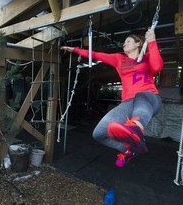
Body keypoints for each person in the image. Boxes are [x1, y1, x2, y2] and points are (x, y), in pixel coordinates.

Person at [60, 29, 163, 167]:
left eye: (128, 41)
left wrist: (152, 41)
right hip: (128, 102)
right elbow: (95, 55)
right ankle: (128, 150)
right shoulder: (119, 59)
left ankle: (137, 129)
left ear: (138, 43)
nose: (124, 45)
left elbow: (157, 67)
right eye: (124, 43)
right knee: (99, 133)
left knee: (140, 95)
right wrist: (75, 50)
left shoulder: (147, 57)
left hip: (150, 98)